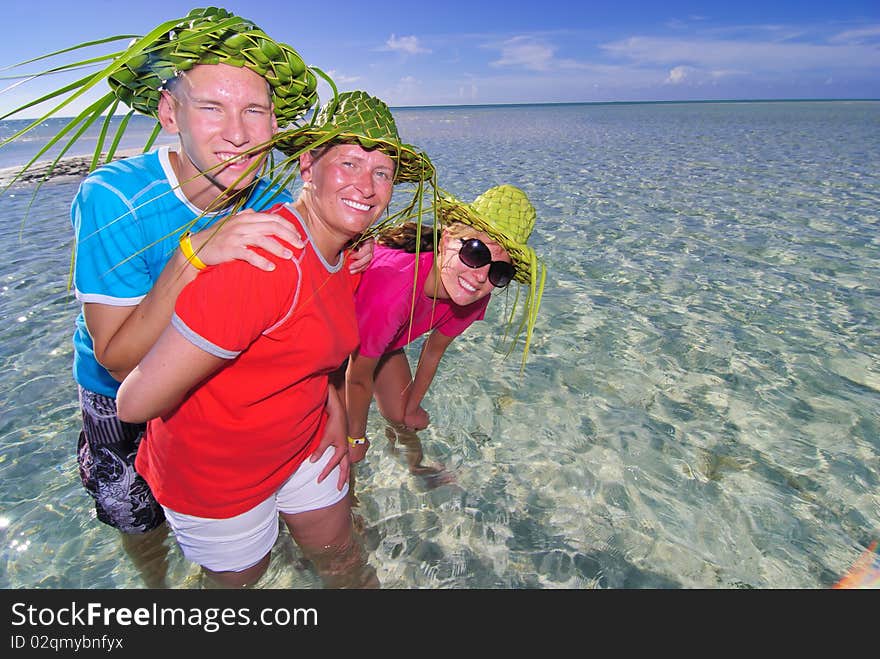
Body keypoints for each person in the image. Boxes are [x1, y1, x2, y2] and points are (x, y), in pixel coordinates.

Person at [4, 8, 370, 587]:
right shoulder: (114, 198)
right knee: (136, 514)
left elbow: (306, 312)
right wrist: (193, 256)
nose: (238, 132)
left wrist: (330, 403)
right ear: (169, 113)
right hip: (119, 387)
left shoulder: (273, 192)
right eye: (212, 108)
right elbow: (118, 358)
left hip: (212, 389)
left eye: (256, 110)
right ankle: (155, 587)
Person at [115, 90, 435, 588]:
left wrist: (329, 404)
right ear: (308, 167)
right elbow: (134, 402)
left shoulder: (343, 255)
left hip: (303, 443)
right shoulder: (265, 264)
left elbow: (307, 351)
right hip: (219, 479)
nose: (366, 186)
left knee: (343, 558)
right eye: (349, 163)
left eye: (382, 173)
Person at [343, 184, 546, 473]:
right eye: (475, 253)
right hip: (333, 348)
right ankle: (349, 500)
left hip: (382, 343)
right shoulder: (395, 288)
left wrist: (411, 408)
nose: (480, 277)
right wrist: (356, 437)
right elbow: (357, 377)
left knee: (407, 420)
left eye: (500, 272)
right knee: (343, 447)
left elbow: (432, 352)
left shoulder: (475, 294)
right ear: (446, 239)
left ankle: (415, 467)